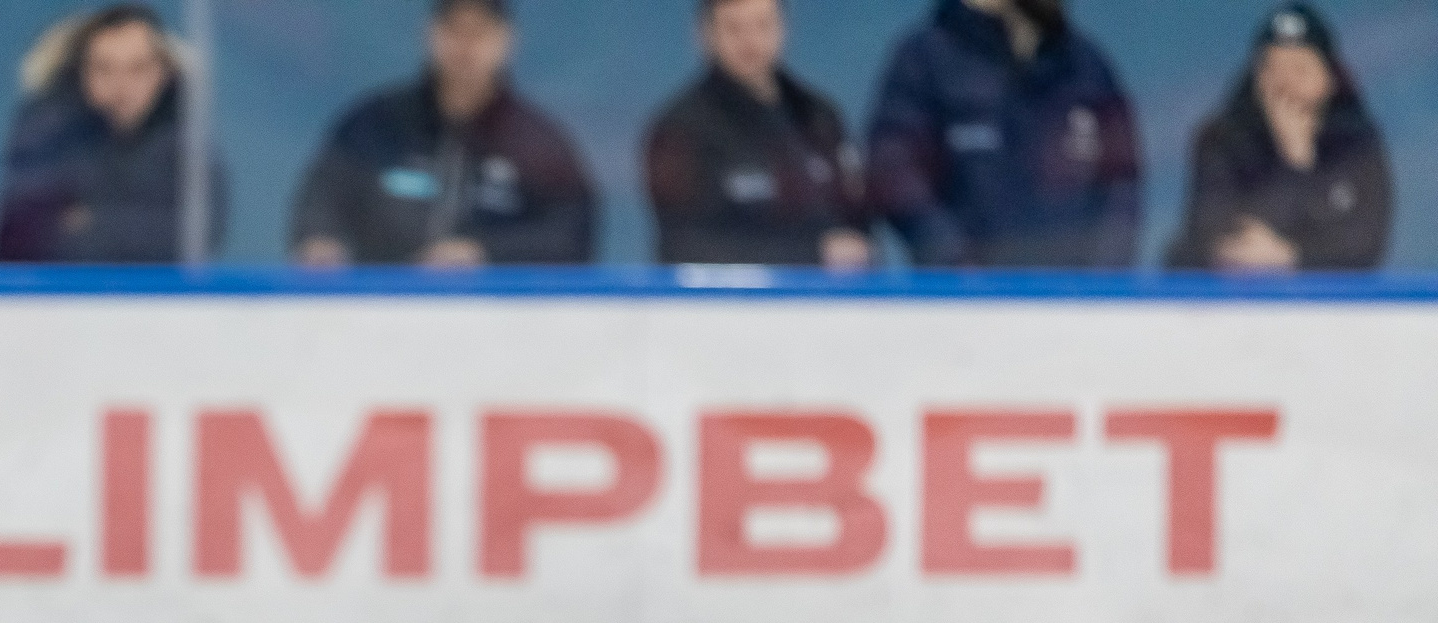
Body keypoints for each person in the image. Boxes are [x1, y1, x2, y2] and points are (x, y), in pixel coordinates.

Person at [290, 0, 596, 268]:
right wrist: (320, 240)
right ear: (430, 33)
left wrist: (484, 253)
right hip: (379, 313)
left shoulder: (538, 144)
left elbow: (571, 234)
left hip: (496, 323)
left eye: (479, 32)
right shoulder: (375, 125)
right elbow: (322, 199)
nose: (466, 45)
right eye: (454, 29)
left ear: (506, 39)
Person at [866, 0, 1141, 268]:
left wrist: (1101, 281)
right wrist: (954, 263)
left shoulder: (1085, 66)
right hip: (966, 303)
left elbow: (1120, 182)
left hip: (1074, 300)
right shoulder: (926, 60)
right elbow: (895, 169)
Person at [645, 0, 872, 269]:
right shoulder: (679, 131)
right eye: (735, 28)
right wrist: (809, 253)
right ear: (705, 34)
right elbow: (684, 248)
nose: (750, 41)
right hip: (733, 306)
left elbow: (858, 220)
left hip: (833, 302)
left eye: (762, 25)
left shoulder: (818, 116)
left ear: (783, 28)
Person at [0, 5, 225, 263]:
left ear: (164, 73)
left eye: (138, 68)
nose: (121, 86)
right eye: (105, 68)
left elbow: (193, 234)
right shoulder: (45, 138)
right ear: (80, 72)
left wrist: (90, 222)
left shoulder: (187, 148)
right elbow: (25, 233)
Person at [1166, 4, 1389, 273]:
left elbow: (1365, 245)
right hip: (1233, 309)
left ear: (1328, 78)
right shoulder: (1223, 142)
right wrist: (1288, 165)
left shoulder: (1356, 145)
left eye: (1300, 70)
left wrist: (1294, 256)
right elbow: (1215, 238)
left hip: (1332, 311)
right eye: (1273, 69)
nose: (1285, 85)